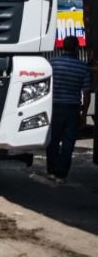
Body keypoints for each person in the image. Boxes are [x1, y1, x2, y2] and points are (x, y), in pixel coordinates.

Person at [46, 35, 93, 183]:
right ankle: (61, 175)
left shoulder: (52, 64)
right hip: (73, 109)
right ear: (77, 48)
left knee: (52, 141)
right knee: (68, 143)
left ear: (62, 47)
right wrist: (84, 114)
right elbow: (86, 93)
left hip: (54, 108)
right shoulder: (82, 67)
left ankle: (51, 171)